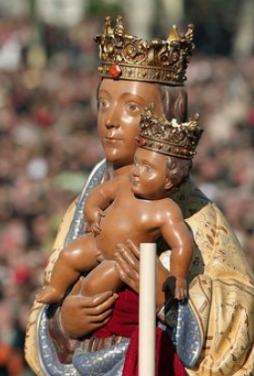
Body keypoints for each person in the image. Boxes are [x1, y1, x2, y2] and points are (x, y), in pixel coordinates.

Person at [24, 15, 254, 376]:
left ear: (166, 119)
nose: (111, 121)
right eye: (103, 103)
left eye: (132, 107)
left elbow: (239, 316)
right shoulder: (83, 208)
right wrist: (63, 324)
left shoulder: (197, 218)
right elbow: (52, 292)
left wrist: (168, 299)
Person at [35, 104, 202, 306]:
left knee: (92, 287)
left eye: (147, 169)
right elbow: (100, 193)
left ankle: (90, 306)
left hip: (119, 261)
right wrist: (92, 211)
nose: (137, 172)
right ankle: (56, 289)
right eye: (137, 163)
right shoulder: (125, 184)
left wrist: (178, 276)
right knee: (68, 255)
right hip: (95, 242)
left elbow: (181, 245)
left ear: (168, 181)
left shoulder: (165, 211)